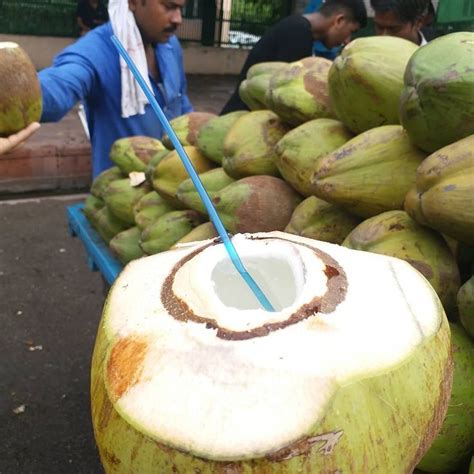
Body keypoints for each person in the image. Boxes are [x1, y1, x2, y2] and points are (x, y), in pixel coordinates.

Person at [39, 0, 192, 179]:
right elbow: (58, 87)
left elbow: (181, 103)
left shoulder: (170, 46)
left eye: (181, 8)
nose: (178, 19)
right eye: (169, 7)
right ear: (133, 2)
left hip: (171, 184)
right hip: (122, 193)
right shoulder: (96, 51)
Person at [220, 0, 367, 115]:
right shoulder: (298, 33)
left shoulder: (297, 27)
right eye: (350, 31)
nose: (347, 40)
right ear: (339, 21)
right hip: (241, 122)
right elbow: (288, 98)